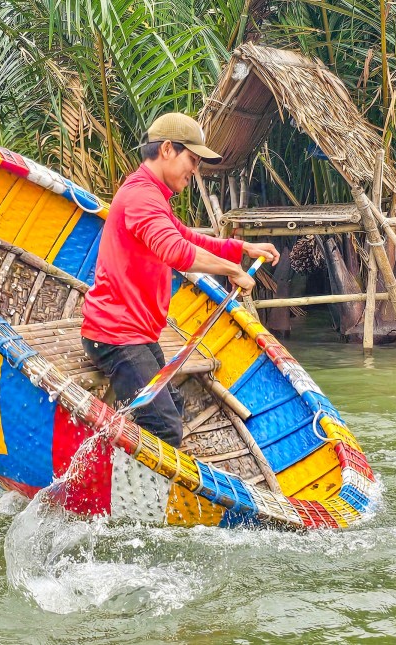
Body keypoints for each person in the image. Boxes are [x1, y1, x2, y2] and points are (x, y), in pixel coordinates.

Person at [80, 113, 280, 448]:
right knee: (166, 428)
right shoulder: (142, 197)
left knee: (174, 407)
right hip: (116, 337)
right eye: (192, 159)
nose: (195, 170)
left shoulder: (153, 195)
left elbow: (185, 237)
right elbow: (175, 251)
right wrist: (232, 271)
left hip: (138, 334)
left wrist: (240, 248)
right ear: (168, 150)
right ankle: (131, 496)